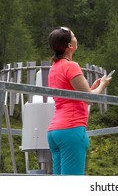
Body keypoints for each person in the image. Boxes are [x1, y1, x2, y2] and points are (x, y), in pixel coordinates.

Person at [47, 26, 112, 175]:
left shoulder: (54, 68)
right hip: (71, 128)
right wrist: (102, 85)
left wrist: (91, 88)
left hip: (54, 131)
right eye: (74, 36)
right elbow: (89, 99)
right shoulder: (71, 66)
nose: (77, 39)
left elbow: (75, 96)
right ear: (70, 46)